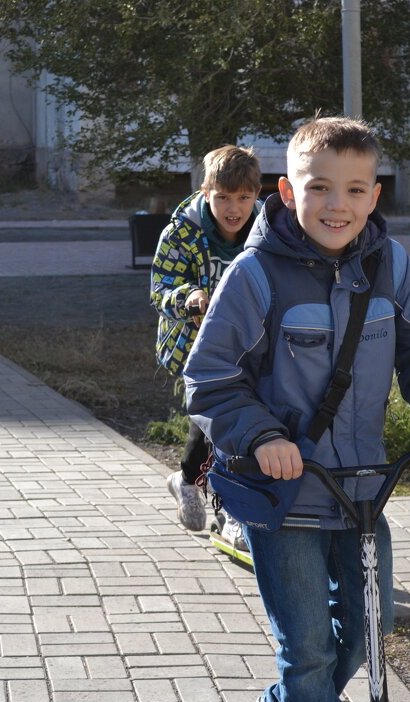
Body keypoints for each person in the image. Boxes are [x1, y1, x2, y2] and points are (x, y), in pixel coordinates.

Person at [183, 117, 410, 702]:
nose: (335, 204)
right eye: (319, 188)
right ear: (286, 192)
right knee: (308, 645)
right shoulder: (255, 276)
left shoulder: (391, 267)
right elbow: (210, 378)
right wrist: (263, 436)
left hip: (362, 490)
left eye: (353, 189)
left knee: (366, 636)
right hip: (280, 494)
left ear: (374, 196)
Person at [149, 144, 263, 547]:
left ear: (257, 194)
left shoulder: (267, 230)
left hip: (251, 344)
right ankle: (229, 515)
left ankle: (187, 480)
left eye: (244, 198)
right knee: (221, 420)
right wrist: (189, 297)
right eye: (223, 198)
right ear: (205, 191)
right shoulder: (181, 232)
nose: (234, 208)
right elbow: (159, 288)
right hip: (195, 347)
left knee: (231, 423)